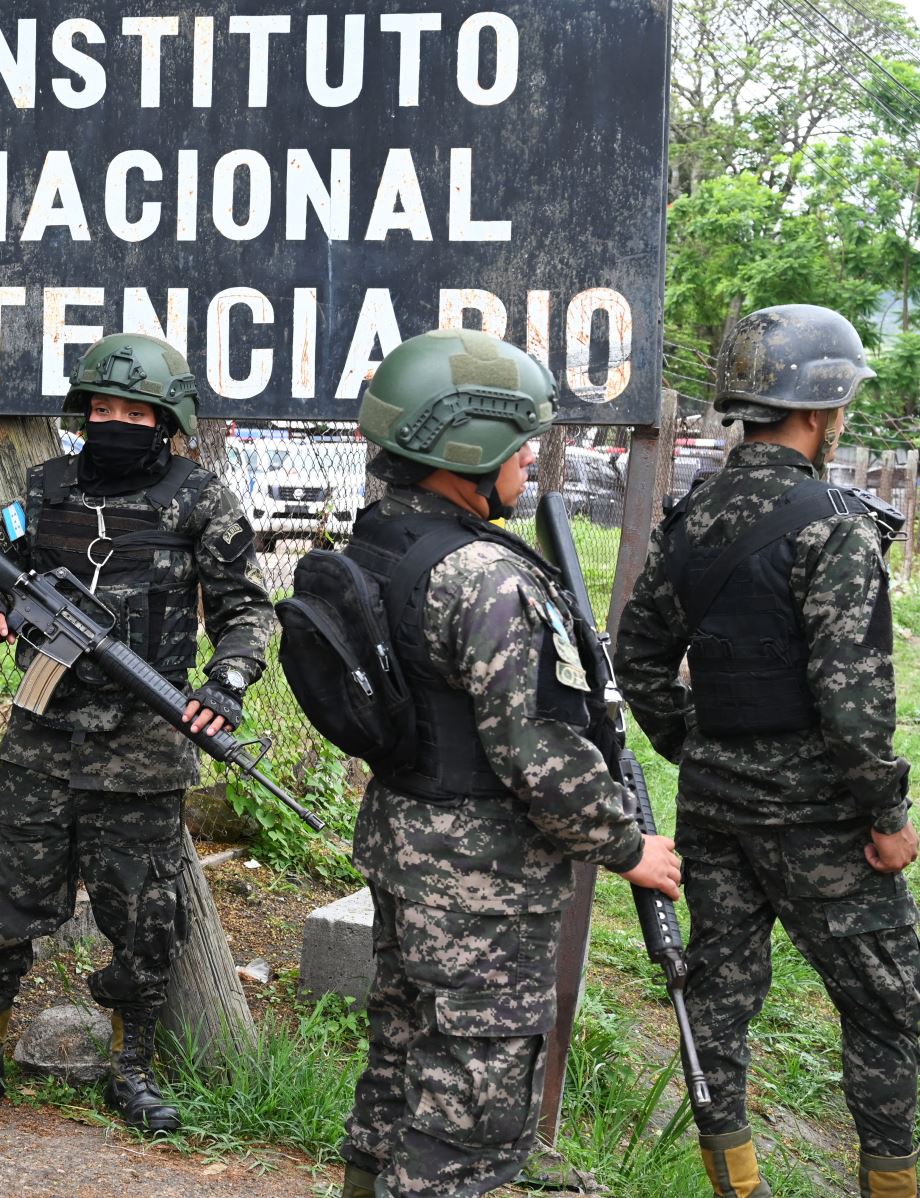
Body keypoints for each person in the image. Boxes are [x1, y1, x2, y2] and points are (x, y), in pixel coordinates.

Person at [336, 328, 682, 1197]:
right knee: (473, 1120)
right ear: (468, 446)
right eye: (521, 440)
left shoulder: (381, 539)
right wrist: (626, 844)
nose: (533, 457)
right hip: (481, 881)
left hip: (404, 849)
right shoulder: (484, 574)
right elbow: (538, 751)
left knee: (400, 1065)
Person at [0, 332, 275, 1133]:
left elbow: (247, 609)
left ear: (165, 419)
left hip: (145, 748)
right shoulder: (44, 489)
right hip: (43, 740)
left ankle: (131, 1067)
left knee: (145, 924)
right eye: (99, 408)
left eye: (131, 410)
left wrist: (228, 681)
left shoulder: (200, 499)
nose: (111, 421)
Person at [617, 304, 919, 1198]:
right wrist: (890, 819)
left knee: (715, 1002)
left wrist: (701, 747)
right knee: (889, 1006)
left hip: (716, 811)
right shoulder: (834, 525)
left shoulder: (691, 517)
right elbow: (856, 702)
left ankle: (736, 1189)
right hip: (826, 822)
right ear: (823, 411)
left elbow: (635, 660)